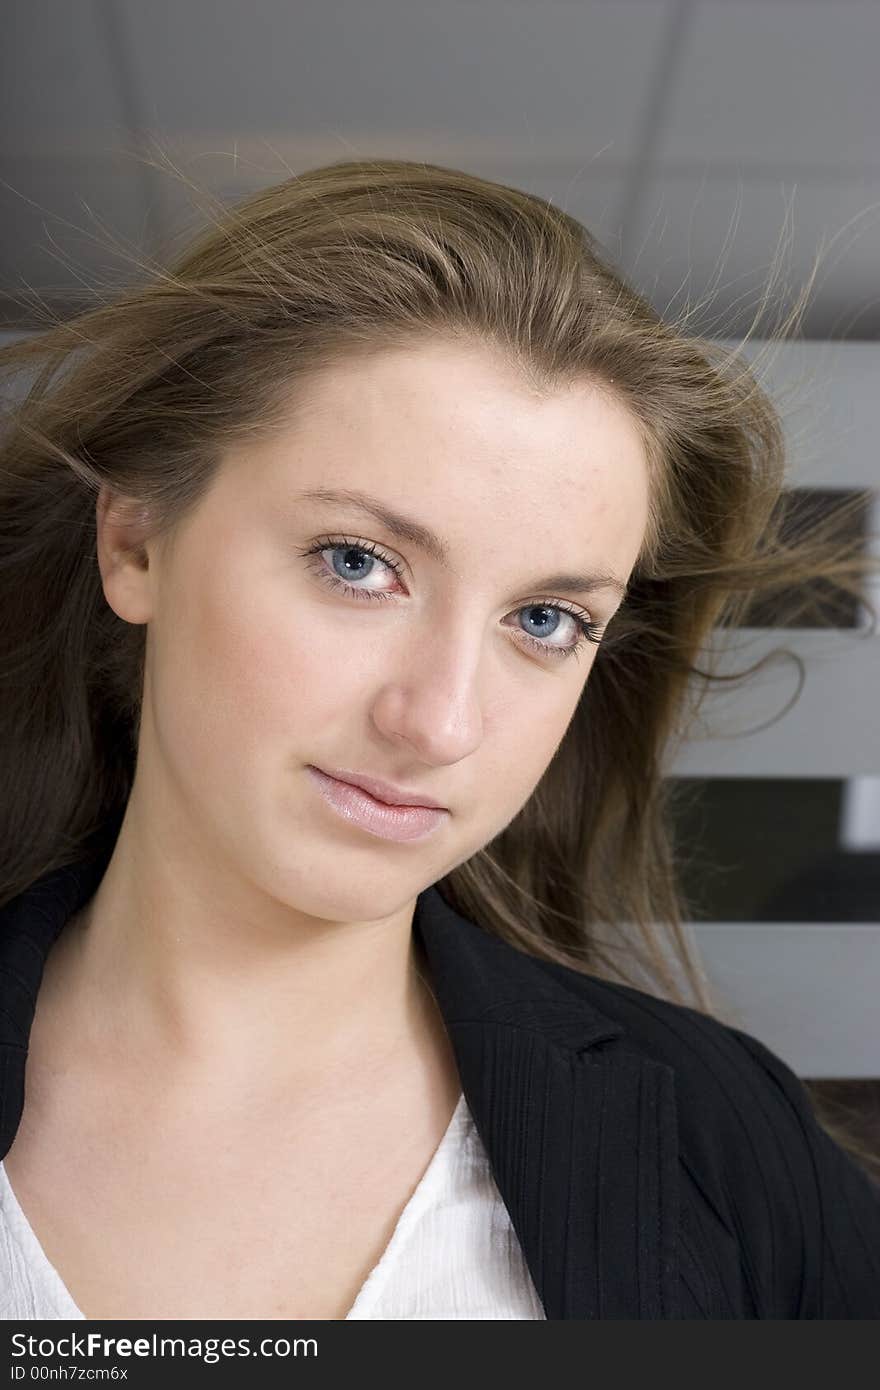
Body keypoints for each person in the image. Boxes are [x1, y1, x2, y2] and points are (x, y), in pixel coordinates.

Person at [0, 158, 878, 1322]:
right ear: (137, 543)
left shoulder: (722, 1146)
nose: (441, 722)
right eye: (358, 563)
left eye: (544, 620)